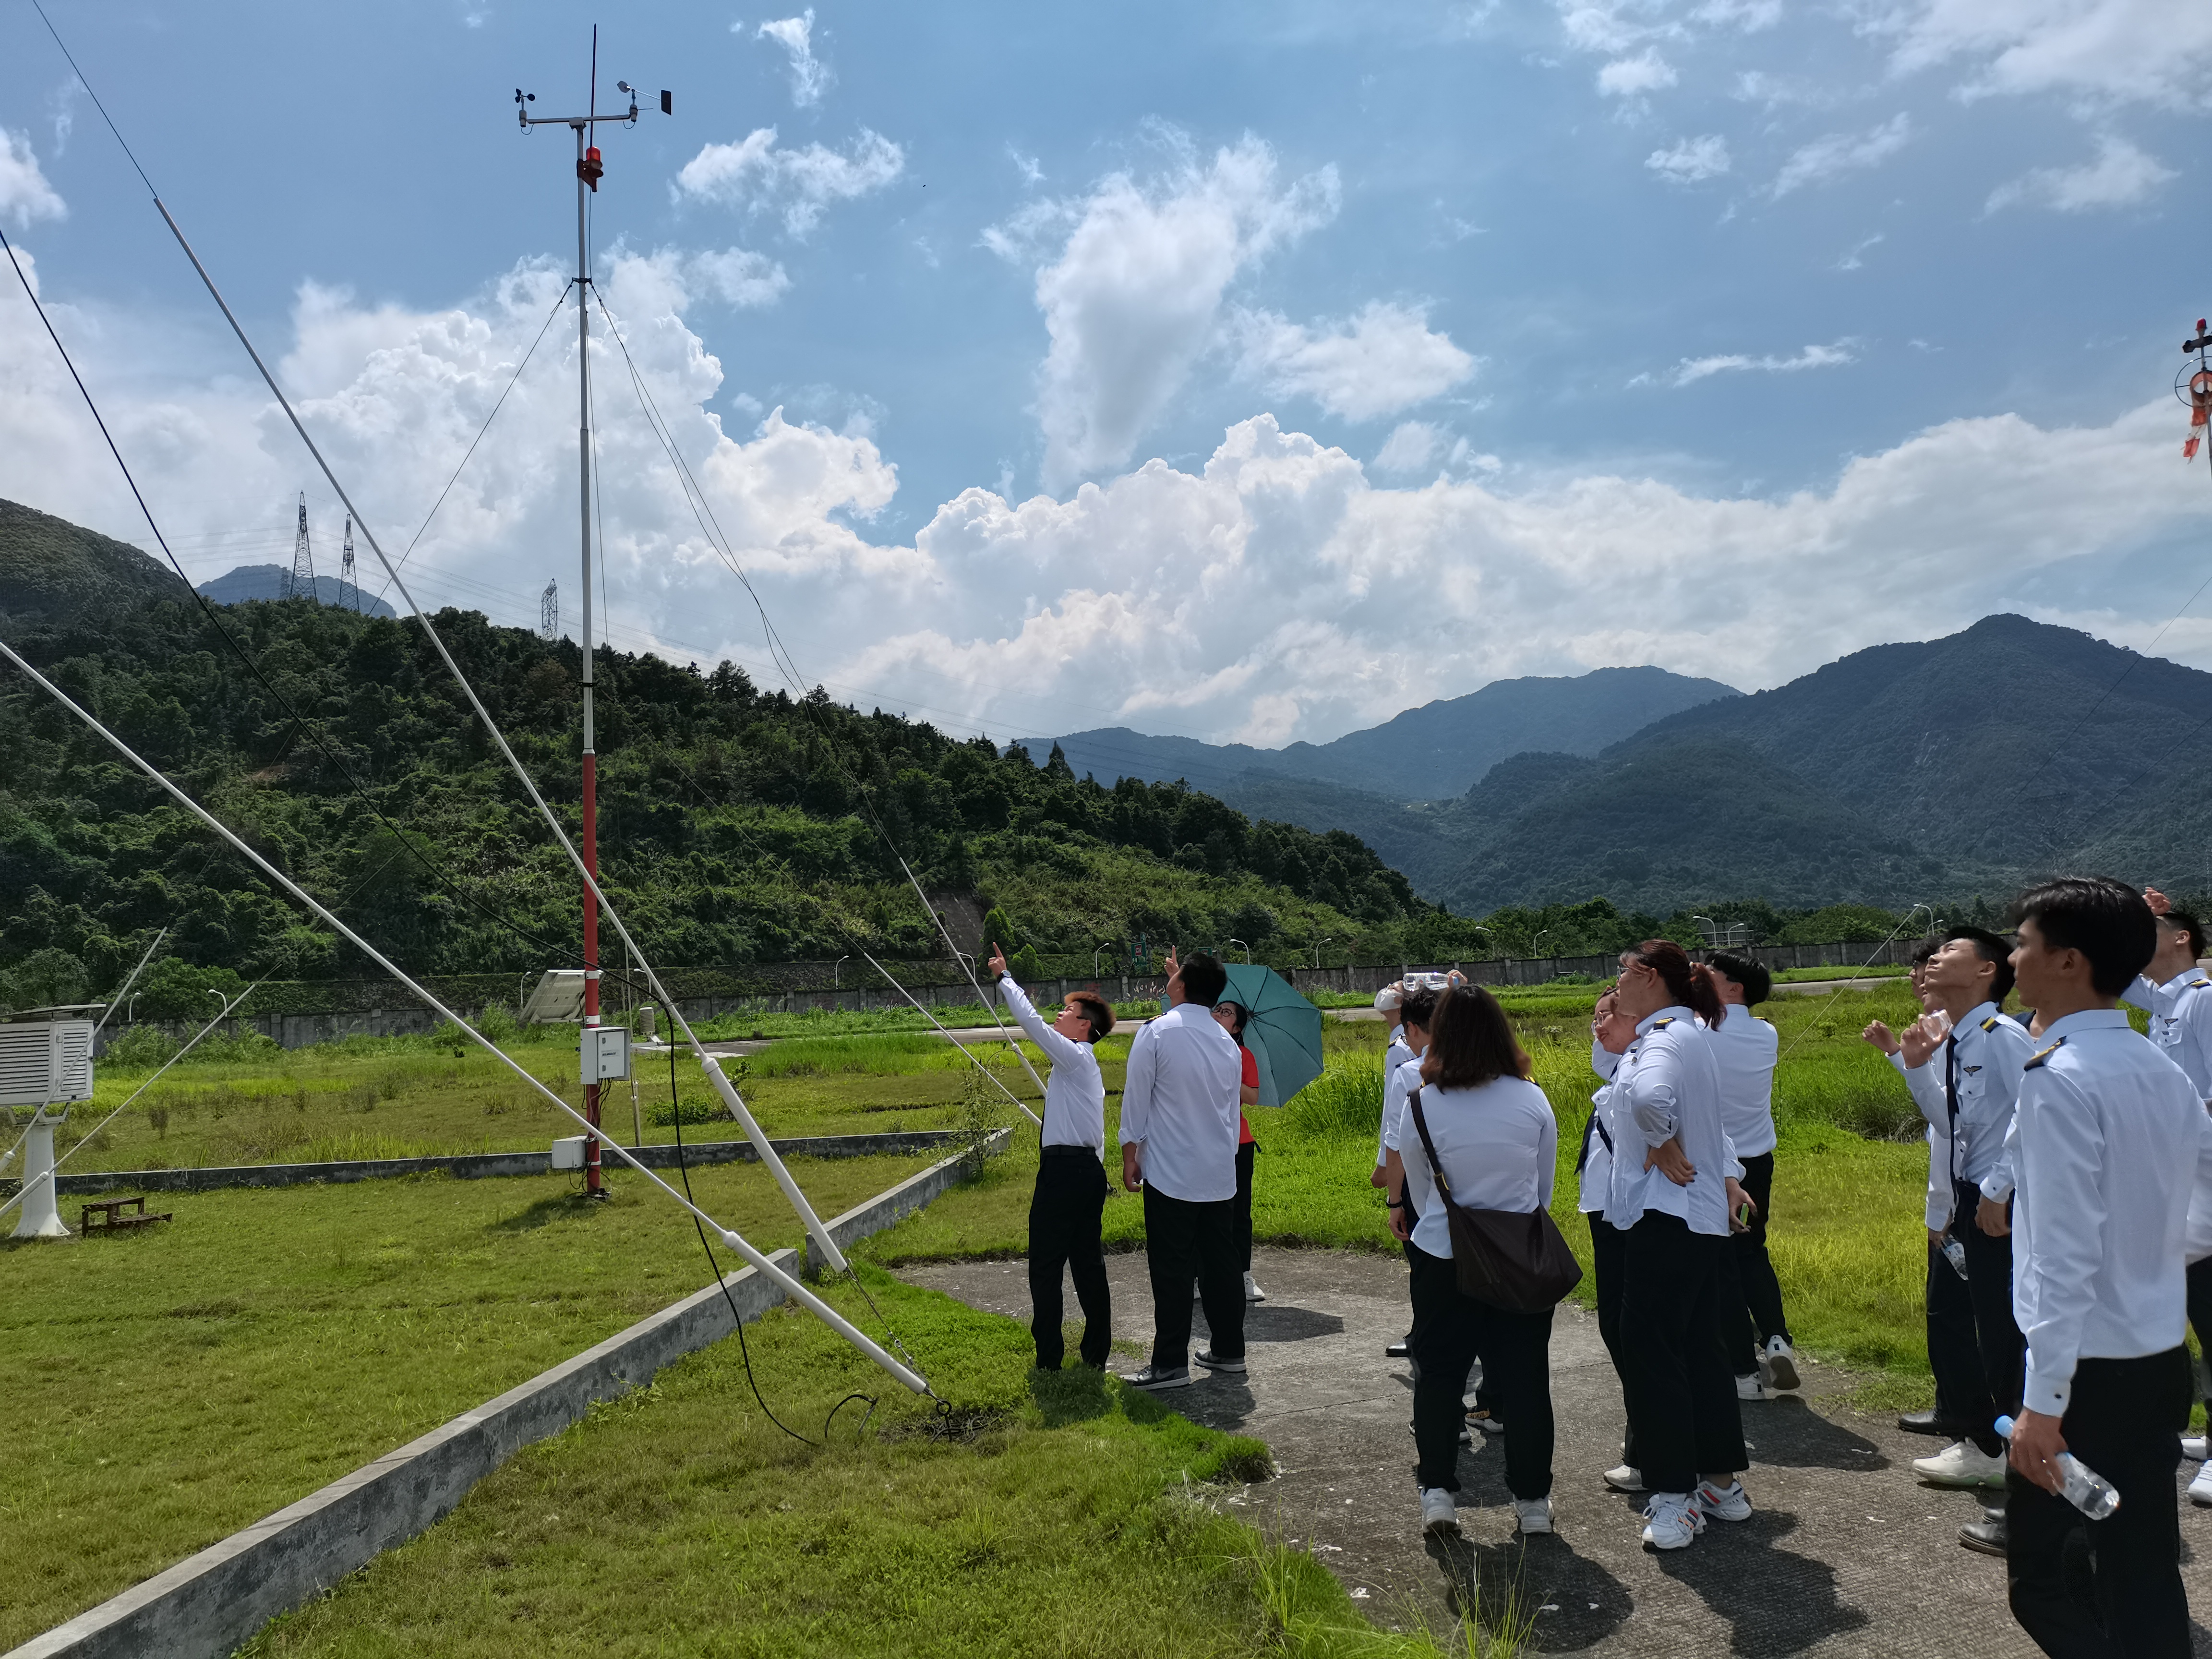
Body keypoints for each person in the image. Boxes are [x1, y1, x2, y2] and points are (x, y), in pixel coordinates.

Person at [2002, 877, 2209, 1657]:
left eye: (2023, 944)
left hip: (2086, 1373)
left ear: (2067, 961)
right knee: (2141, 1565)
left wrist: (2043, 1403)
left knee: (2044, 1579)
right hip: (2157, 1356)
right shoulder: (2159, 1067)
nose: (2012, 959)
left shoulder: (2057, 1078)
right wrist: (2150, 1257)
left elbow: (2062, 1256)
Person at [1385, 985, 1561, 1538]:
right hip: (1520, 1256)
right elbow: (1543, 1190)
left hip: (1444, 1254)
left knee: (1439, 1376)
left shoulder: (1421, 1103)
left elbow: (1420, 1190)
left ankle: (1438, 1494)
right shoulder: (1532, 1099)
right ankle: (1532, 1503)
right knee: (1526, 1380)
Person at [1607, 939, 1755, 1551]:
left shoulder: (1663, 1037)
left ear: (1649, 976)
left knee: (1651, 1353)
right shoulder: (1686, 1032)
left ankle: (1675, 1495)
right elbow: (1706, 1120)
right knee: (1698, 1348)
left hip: (1665, 1215)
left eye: (1623, 972)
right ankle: (1720, 1483)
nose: (1617, 983)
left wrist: (1658, 1138)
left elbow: (1649, 1100)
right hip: (1693, 1218)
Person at [1887, 929, 2032, 1518]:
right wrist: (1915, 1066)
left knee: (2007, 1337)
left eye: (1951, 952)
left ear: (1985, 971)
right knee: (1989, 1332)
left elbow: (2035, 1117)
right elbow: (1947, 1123)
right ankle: (1996, 1453)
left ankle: (2020, 1474)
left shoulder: (2003, 1036)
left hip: (2002, 1199)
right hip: (1973, 1196)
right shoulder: (1961, 1037)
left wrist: (1998, 1189)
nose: (1934, 960)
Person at [1864, 938, 1987, 1445]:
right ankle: (1961, 1414)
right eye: (1921, 968)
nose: (1922, 975)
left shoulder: (1986, 1037)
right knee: (1952, 1314)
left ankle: (1975, 1428)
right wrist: (1903, 1057)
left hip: (1971, 1196)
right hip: (1958, 1191)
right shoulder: (1946, 1029)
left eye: (1933, 964)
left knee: (1959, 1316)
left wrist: (1953, 1204)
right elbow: (1945, 1117)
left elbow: (1958, 1128)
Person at [1118, 948, 1246, 1390]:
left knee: (1172, 1269)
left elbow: (1136, 1100)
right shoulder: (1226, 1041)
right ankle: (1230, 1350)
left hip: (1172, 1172)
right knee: (1221, 1265)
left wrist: (1129, 1154)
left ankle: (1170, 1363)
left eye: (1175, 976)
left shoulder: (1156, 1033)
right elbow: (1231, 1113)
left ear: (1181, 985)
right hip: (1218, 1173)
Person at [991, 946, 1116, 1371]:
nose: (1058, 1016)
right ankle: (1095, 1356)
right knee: (1087, 1265)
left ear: (1084, 1026)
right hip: (1085, 1171)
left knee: (1046, 1266)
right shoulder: (1081, 1066)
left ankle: (1049, 1359)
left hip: (1065, 1173)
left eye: (1067, 1012)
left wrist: (1005, 977)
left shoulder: (1076, 1056)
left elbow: (1031, 1024)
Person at [2132, 899, 2212, 1503]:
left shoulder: (2204, 999)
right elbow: (2112, 974)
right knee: (2193, 1311)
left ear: (2182, 938)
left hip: (2204, 1176)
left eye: (2150, 931)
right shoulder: (2167, 1002)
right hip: (2174, 1177)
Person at [1706, 952, 1799, 1401]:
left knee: (1721, 1263)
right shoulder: (1767, 1033)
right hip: (1757, 1161)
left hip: (1716, 1166)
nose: (1699, 979)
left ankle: (1743, 1372)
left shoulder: (1700, 1034)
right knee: (1752, 1251)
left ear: (1734, 988)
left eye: (1709, 975)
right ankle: (1777, 1339)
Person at [1584, 987, 1643, 1491]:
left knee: (1629, 1331)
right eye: (1595, 1019)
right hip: (1606, 1208)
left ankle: (1646, 1449)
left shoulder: (1643, 1069)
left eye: (1607, 1017)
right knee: (1617, 1328)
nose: (1598, 1028)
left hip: (1626, 1213)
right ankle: (1642, 1441)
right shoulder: (1623, 1068)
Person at [1211, 998, 1267, 1303]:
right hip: (1203, 1141)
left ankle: (1243, 1275)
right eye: (1217, 1009)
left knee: (1239, 1212)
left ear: (1237, 1028)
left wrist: (1231, 1073)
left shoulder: (1243, 1055)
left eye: (1227, 1013)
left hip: (1238, 1142)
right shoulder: (1198, 1050)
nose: (1219, 1014)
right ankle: (1201, 1276)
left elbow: (1253, 1097)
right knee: (1203, 1210)